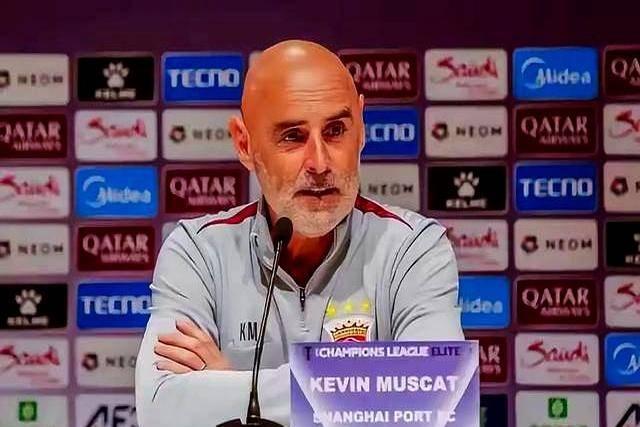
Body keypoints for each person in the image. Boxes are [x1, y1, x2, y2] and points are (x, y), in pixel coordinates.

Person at [135, 39, 463, 427]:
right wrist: (374, 390)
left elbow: (438, 397)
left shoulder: (413, 249)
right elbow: (161, 409)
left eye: (336, 130)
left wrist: (239, 391)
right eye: (292, 136)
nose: (320, 163)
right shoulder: (198, 253)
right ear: (245, 143)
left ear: (361, 128)